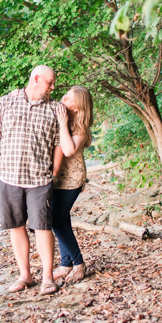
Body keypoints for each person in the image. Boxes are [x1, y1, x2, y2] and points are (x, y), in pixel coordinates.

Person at [0, 65, 64, 295]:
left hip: (40, 180)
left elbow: (59, 144)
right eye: (50, 82)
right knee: (16, 226)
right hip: (8, 178)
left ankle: (47, 278)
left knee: (42, 227)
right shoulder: (5, 103)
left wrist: (55, 173)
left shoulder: (55, 109)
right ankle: (25, 275)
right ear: (36, 79)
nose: (53, 86)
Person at [51, 86, 94, 284]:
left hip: (72, 181)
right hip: (57, 178)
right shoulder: (63, 117)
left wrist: (61, 123)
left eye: (69, 98)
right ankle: (65, 263)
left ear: (77, 107)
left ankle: (79, 264)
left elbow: (68, 150)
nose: (63, 98)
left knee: (56, 221)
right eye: (65, 95)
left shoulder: (81, 129)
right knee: (62, 219)